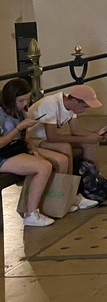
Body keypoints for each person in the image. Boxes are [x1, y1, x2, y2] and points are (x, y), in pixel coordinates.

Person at [27, 84, 107, 205]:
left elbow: (76, 130)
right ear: (74, 101)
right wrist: (87, 138)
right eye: (84, 106)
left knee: (88, 144)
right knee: (65, 147)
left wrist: (94, 136)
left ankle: (97, 182)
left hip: (46, 140)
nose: (85, 110)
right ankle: (72, 194)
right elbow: (52, 136)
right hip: (33, 141)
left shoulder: (70, 106)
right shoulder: (50, 104)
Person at [0, 79, 55, 226]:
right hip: (2, 155)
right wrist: (19, 127)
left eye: (27, 99)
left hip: (15, 149)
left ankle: (55, 203)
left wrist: (35, 152)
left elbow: (27, 138)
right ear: (10, 98)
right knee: (43, 167)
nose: (25, 103)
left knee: (49, 162)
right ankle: (31, 213)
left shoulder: (20, 112)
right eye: (21, 100)